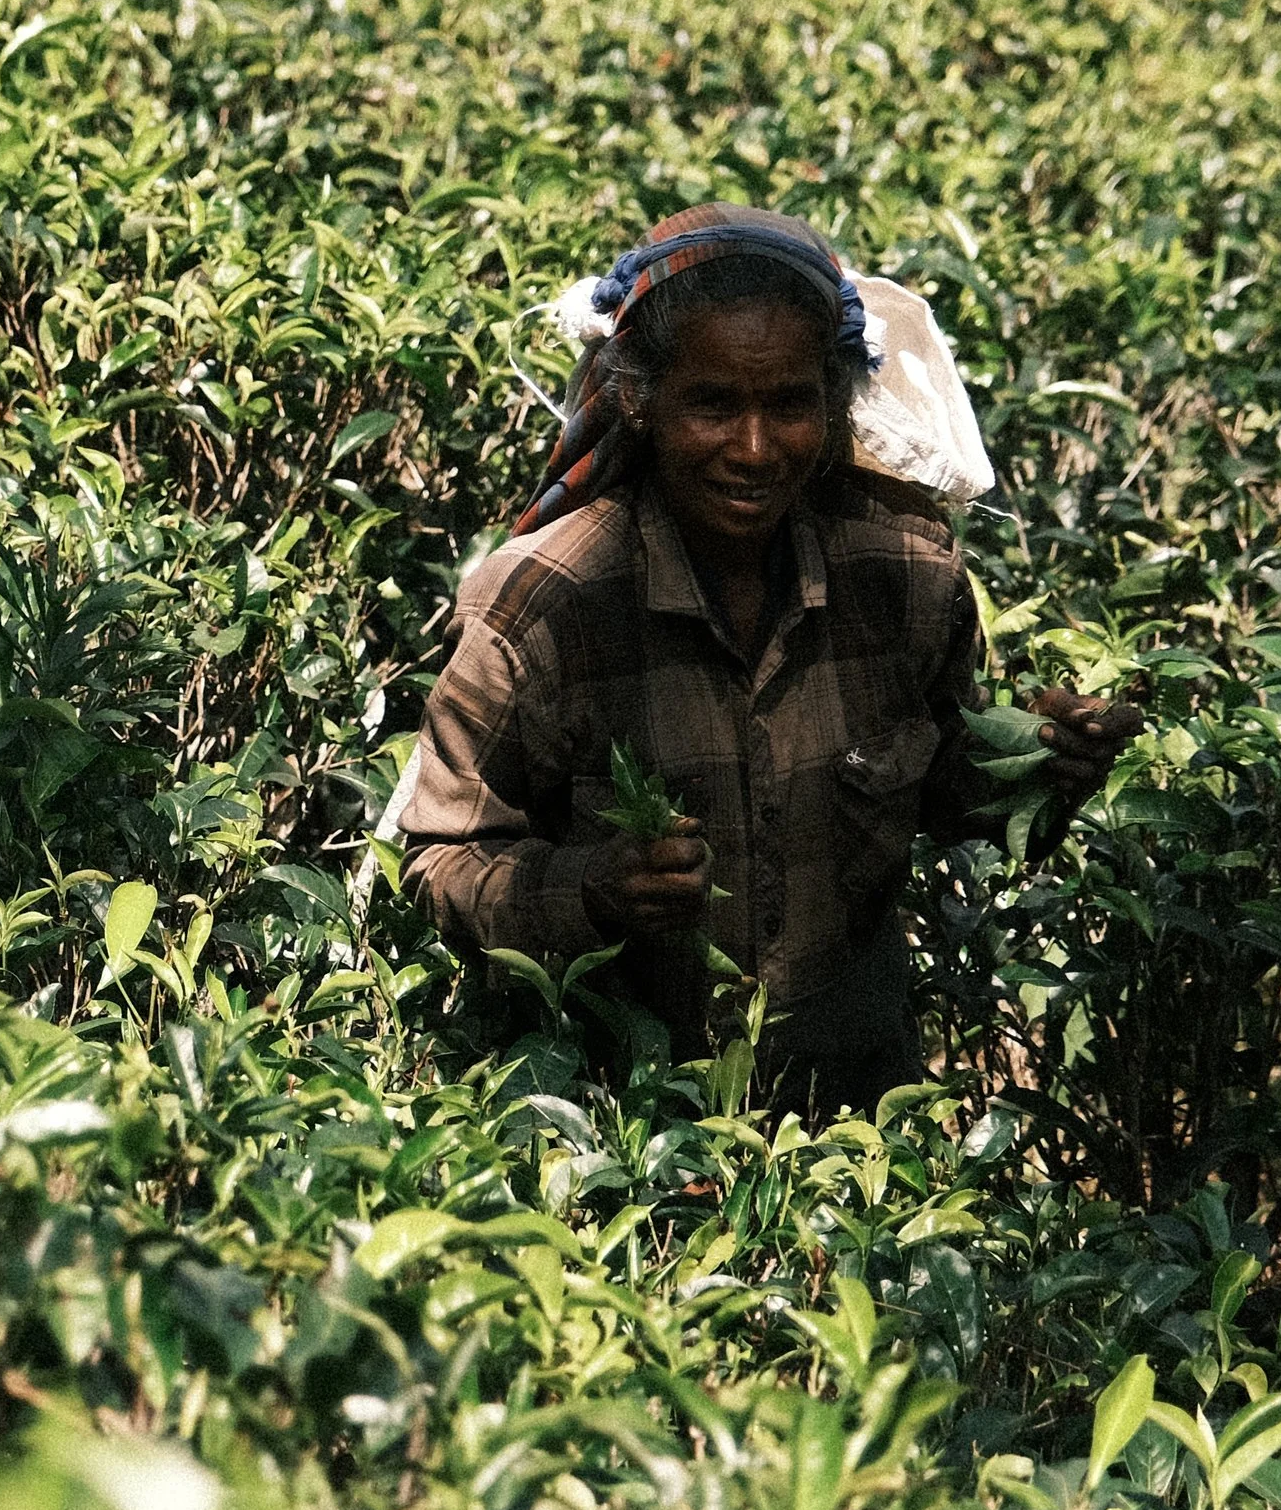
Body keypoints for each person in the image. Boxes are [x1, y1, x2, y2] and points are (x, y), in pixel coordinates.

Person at [400, 203, 1141, 1114]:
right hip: (614, 1128)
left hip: (852, 1123)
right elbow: (443, 859)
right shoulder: (547, 607)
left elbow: (943, 791)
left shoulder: (903, 574)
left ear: (832, 403)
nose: (754, 450)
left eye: (790, 404)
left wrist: (1043, 763)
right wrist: (590, 890)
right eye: (714, 404)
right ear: (640, 398)